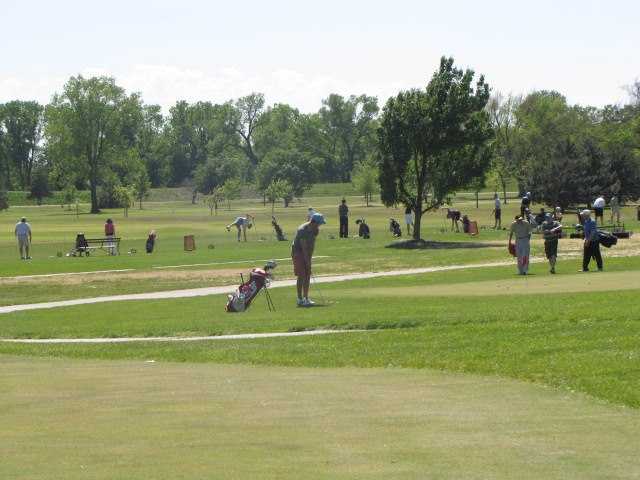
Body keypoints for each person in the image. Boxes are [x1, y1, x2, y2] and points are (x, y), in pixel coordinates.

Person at [291, 212, 325, 307]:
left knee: (307, 274)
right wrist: (307, 261)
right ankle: (299, 299)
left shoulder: (315, 230)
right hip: (297, 252)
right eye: (319, 223)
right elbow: (304, 248)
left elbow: (311, 245)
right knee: (301, 275)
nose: (320, 225)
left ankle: (306, 298)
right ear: (314, 222)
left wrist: (309, 259)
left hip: (306, 253)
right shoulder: (302, 230)